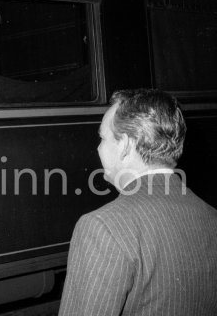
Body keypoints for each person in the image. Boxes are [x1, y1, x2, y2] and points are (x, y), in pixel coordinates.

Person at [59, 89, 217, 316]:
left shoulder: (102, 226)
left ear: (125, 145)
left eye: (103, 138)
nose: (98, 148)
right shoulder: (211, 216)